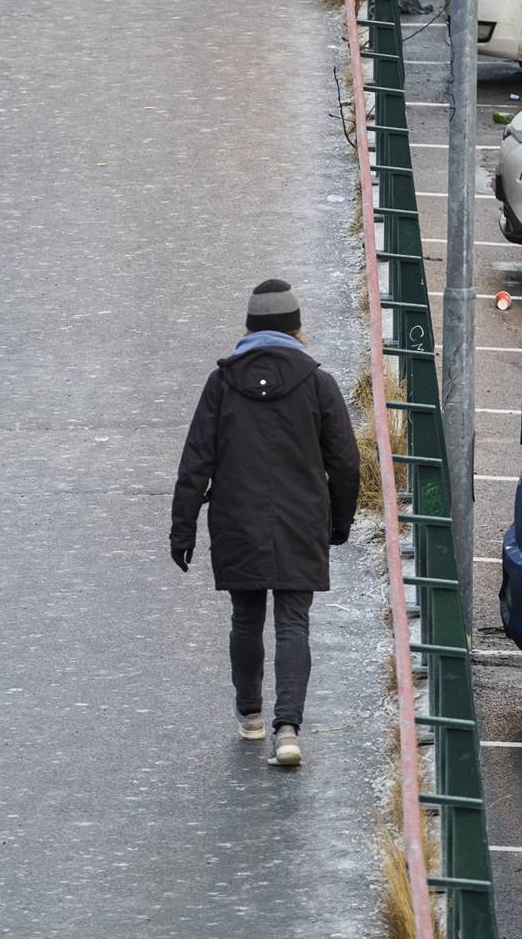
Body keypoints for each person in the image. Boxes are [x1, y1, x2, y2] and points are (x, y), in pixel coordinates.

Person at [169, 280, 362, 767]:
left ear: (249, 329)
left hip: (237, 520)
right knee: (294, 624)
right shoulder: (317, 383)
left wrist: (183, 528)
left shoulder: (222, 383)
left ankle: (250, 716)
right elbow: (345, 462)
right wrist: (338, 523)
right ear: (297, 329)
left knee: (246, 619)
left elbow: (196, 461)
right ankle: (289, 729)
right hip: (301, 522)